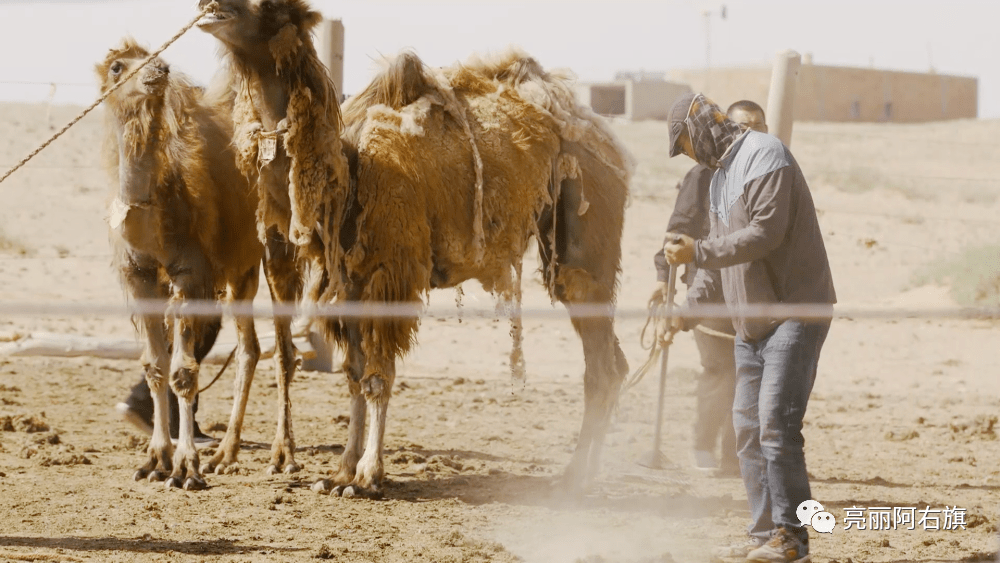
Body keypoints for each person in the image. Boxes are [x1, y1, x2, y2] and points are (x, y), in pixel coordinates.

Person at [659, 92, 836, 563]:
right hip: (751, 325)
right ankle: (764, 537)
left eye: (686, 145)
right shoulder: (718, 180)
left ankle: (792, 539)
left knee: (776, 426)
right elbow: (718, 267)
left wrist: (695, 252)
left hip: (795, 312)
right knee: (747, 430)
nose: (690, 157)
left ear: (699, 130)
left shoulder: (765, 155)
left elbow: (765, 234)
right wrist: (686, 311)